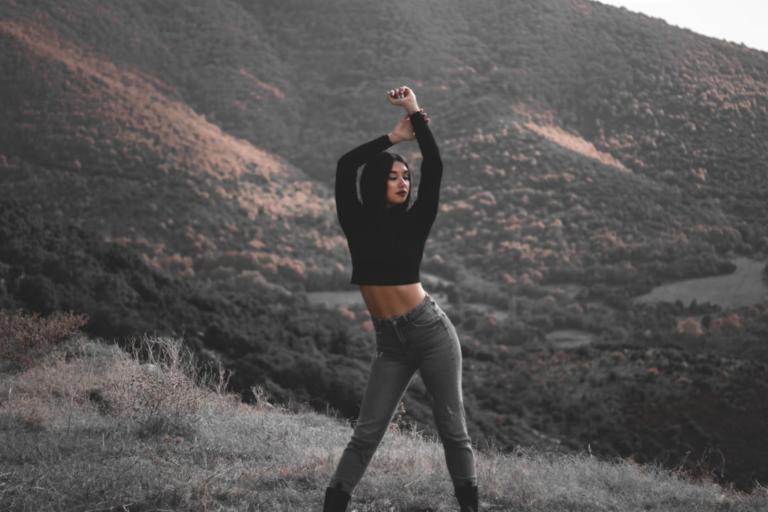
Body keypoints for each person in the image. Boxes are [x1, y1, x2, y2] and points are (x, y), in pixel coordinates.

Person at [323, 86, 478, 512]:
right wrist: (393, 138)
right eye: (393, 176)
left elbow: (437, 166)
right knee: (367, 432)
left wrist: (417, 113)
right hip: (389, 343)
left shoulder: (417, 220)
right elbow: (344, 165)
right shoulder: (354, 220)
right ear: (376, 183)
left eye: (405, 176)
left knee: (452, 428)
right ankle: (334, 504)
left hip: (429, 331)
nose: (403, 182)